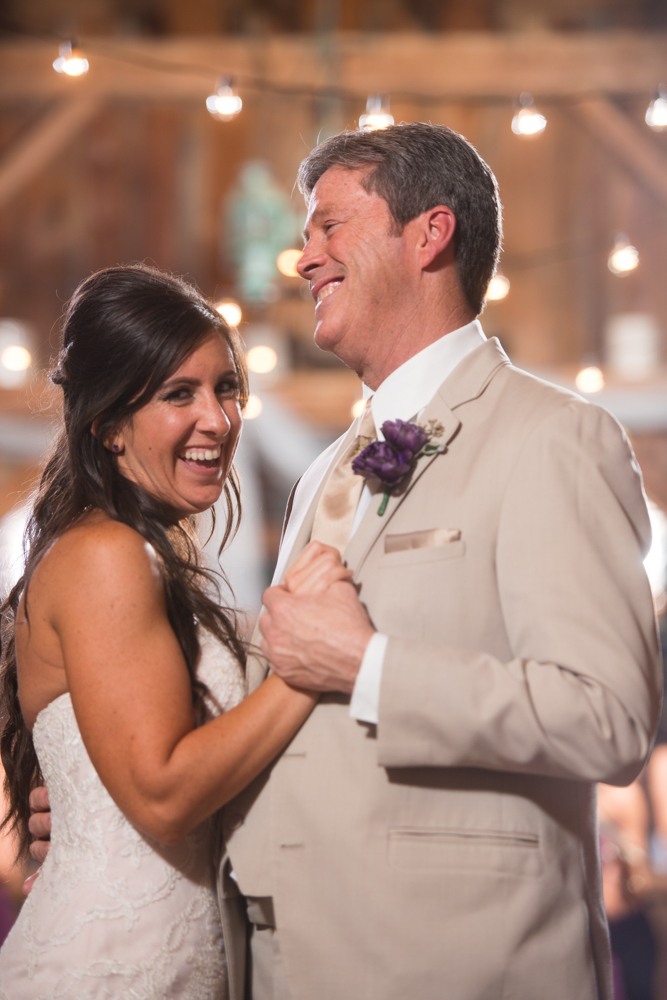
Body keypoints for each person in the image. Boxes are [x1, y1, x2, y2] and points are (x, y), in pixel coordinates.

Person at [215, 123, 662, 1000]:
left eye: (329, 227)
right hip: (293, 962)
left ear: (429, 233)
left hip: (453, 966)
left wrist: (368, 665)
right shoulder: (324, 468)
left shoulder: (554, 438)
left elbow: (606, 717)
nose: (302, 259)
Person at [0, 265, 348, 998]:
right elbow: (162, 795)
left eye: (226, 388)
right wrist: (309, 663)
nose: (218, 420)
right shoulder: (105, 555)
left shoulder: (143, 553)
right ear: (107, 425)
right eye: (178, 394)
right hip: (112, 967)